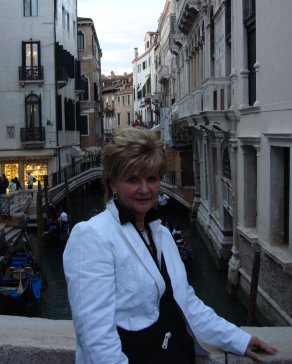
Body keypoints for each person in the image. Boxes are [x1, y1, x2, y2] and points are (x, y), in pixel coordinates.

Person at [63, 128, 277, 364]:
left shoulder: (162, 234)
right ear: (113, 183)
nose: (145, 189)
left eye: (152, 179)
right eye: (133, 179)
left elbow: (186, 303)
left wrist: (237, 338)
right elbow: (96, 342)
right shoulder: (92, 236)